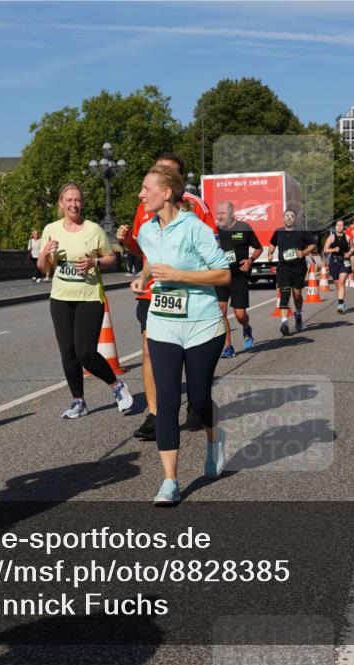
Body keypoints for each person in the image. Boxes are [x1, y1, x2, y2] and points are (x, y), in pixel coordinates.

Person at [131, 165, 231, 505]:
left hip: (202, 325)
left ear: (167, 193)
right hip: (163, 324)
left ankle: (214, 438)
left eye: (146, 189)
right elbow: (151, 258)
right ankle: (170, 481)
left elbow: (222, 274)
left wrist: (180, 275)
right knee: (167, 402)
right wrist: (144, 277)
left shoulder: (195, 229)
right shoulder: (146, 230)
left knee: (199, 400)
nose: (141, 195)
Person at [117, 153, 217, 441]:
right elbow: (143, 249)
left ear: (172, 183)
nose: (157, 173)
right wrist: (127, 243)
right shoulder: (145, 207)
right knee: (150, 351)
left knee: (189, 355)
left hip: (192, 293)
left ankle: (197, 405)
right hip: (155, 293)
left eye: (164, 171)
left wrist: (185, 274)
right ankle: (156, 413)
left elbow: (211, 255)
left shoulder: (196, 207)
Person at [39, 182, 133, 420]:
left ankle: (117, 386)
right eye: (69, 200)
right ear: (61, 203)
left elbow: (112, 257)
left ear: (82, 203)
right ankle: (78, 401)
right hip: (60, 298)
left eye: (77, 200)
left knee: (86, 353)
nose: (73, 204)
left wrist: (96, 263)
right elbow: (44, 269)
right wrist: (44, 253)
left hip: (89, 297)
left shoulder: (93, 230)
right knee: (67, 353)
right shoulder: (51, 229)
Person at [215, 200, 262, 357]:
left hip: (239, 276)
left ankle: (246, 328)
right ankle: (228, 346)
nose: (219, 216)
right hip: (221, 276)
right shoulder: (214, 230)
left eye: (222, 213)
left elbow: (259, 248)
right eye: (218, 213)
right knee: (221, 311)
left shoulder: (243, 228)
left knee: (240, 314)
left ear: (231, 213)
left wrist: (250, 260)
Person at [266, 209, 317, 336]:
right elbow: (272, 244)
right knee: (284, 294)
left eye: (292, 216)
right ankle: (284, 323)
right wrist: (270, 253)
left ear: (295, 219)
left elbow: (313, 244)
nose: (289, 218)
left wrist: (303, 253)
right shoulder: (279, 232)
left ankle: (298, 314)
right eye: (287, 216)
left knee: (297, 295)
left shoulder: (302, 232)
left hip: (298, 268)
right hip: (283, 268)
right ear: (283, 218)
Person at [323, 219, 353, 314]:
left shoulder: (348, 237)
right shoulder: (331, 238)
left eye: (341, 225)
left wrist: (349, 253)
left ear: (344, 227)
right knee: (338, 285)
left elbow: (353, 247)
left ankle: (340, 304)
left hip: (344, 261)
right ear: (335, 227)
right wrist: (333, 250)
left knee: (342, 282)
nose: (339, 227)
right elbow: (325, 250)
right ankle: (341, 301)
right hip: (334, 262)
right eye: (337, 225)